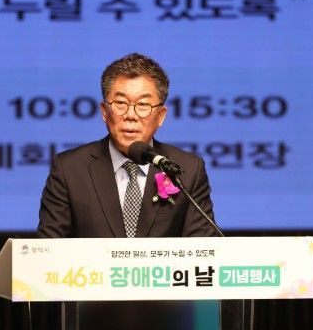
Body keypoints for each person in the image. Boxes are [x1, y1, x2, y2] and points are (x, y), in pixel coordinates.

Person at [37, 52, 216, 238]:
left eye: (143, 104)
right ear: (104, 111)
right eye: (121, 103)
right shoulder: (69, 170)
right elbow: (48, 248)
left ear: (161, 116)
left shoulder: (189, 170)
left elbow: (203, 249)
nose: (131, 115)